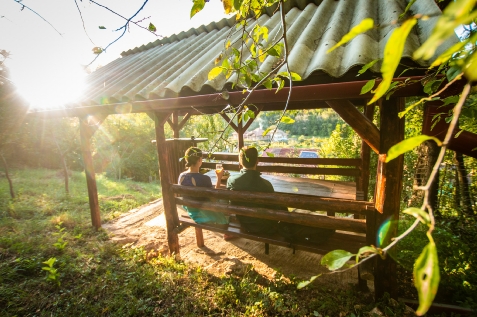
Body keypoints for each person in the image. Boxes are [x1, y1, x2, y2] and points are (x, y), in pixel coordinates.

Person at [227, 146, 334, 244]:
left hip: (245, 224)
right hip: (267, 227)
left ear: (240, 162)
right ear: (257, 161)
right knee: (299, 215)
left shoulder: (231, 181)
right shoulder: (265, 185)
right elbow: (279, 210)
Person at [178, 147, 228, 226]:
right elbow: (214, 198)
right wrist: (219, 178)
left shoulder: (181, 176)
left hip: (191, 211)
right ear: (199, 160)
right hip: (204, 214)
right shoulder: (204, 179)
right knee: (224, 201)